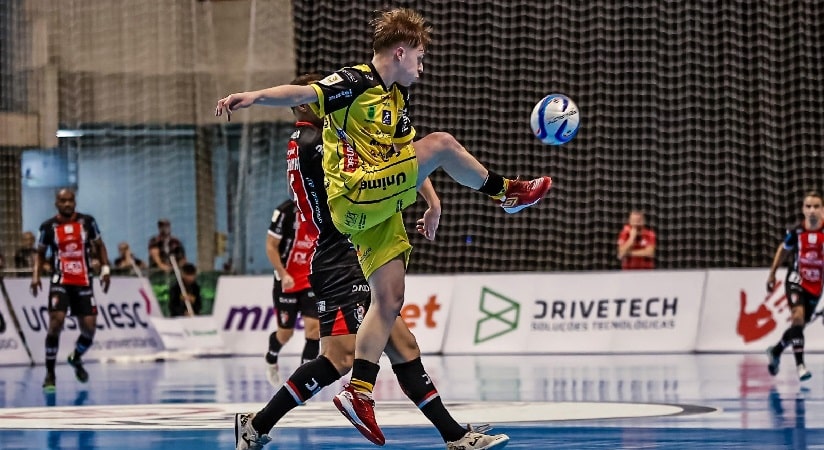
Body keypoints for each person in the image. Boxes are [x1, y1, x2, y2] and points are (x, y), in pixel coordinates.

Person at [216, 8, 548, 446]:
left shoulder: (396, 99)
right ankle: (506, 192)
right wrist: (254, 96)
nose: (423, 67)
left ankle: (364, 394)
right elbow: (303, 90)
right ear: (399, 51)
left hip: (379, 206)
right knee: (444, 143)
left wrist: (432, 201)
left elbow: (408, 156)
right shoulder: (354, 82)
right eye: (420, 57)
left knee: (390, 300)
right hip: (355, 197)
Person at [30, 188, 111, 392]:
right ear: (56, 203)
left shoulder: (87, 222)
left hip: (83, 281)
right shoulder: (48, 227)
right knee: (56, 321)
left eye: (70, 200)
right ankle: (50, 373)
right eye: (63, 201)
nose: (67, 204)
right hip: (60, 280)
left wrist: (105, 270)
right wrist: (35, 276)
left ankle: (76, 357)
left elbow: (100, 245)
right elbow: (40, 254)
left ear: (74, 202)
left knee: (89, 329)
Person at [766, 191, 824, 382]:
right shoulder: (797, 232)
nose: (812, 210)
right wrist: (773, 273)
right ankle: (800, 365)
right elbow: (783, 250)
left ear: (822, 210)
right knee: (797, 317)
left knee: (798, 327)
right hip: (796, 279)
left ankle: (776, 350)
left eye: (816, 206)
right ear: (803, 209)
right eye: (808, 207)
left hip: (816, 285)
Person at [264, 198, 320, 387]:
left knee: (314, 330)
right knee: (285, 334)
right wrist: (282, 273)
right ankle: (271, 358)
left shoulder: (322, 207)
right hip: (287, 281)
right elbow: (271, 245)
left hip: (310, 280)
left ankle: (302, 383)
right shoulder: (285, 212)